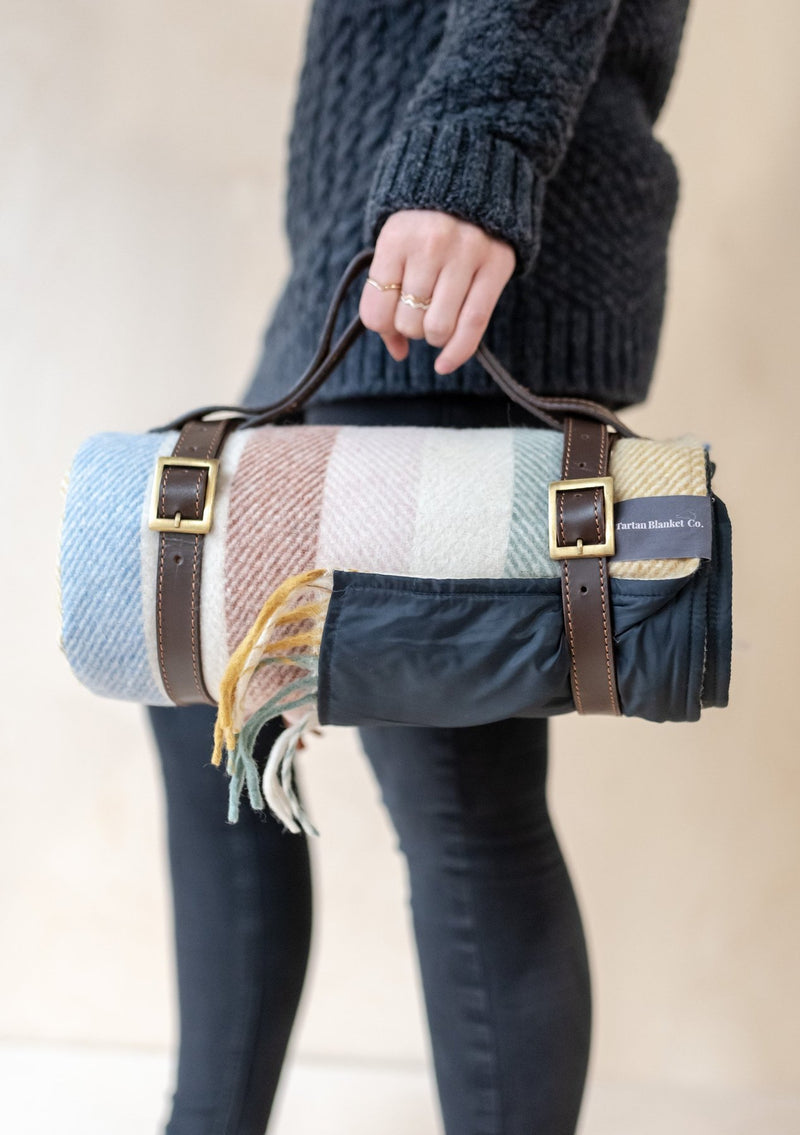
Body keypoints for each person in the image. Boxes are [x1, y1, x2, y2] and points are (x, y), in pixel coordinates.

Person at [148, 1, 691, 1132]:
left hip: (454, 250)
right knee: (203, 679)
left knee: (459, 796)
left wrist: (473, 160)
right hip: (362, 253)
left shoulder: (465, 181)